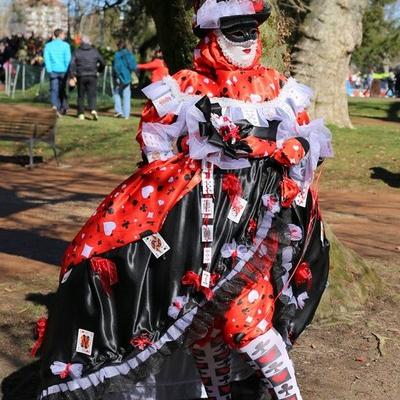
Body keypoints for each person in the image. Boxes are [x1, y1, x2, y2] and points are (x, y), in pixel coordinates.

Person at [36, 1, 333, 399]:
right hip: (196, 231)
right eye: (236, 31)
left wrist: (290, 152)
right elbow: (155, 148)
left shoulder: (278, 87)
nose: (247, 39)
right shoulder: (186, 87)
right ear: (212, 35)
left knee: (245, 322)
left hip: (256, 230)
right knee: (200, 325)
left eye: (252, 30)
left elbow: (308, 144)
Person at [69, 35, 105, 120]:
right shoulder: (94, 51)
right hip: (92, 75)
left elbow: (72, 64)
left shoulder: (77, 51)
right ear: (89, 42)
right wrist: (99, 70)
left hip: (81, 75)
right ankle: (93, 109)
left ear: (81, 42)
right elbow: (103, 62)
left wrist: (73, 75)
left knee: (81, 95)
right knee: (92, 94)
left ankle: (81, 114)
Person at [44, 29, 71, 116]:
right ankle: (62, 107)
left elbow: (46, 58)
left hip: (53, 70)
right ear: (60, 35)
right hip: (64, 71)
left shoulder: (48, 46)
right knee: (63, 89)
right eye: (64, 35)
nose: (65, 36)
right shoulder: (66, 45)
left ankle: (55, 106)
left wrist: (49, 69)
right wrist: (68, 70)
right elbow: (68, 59)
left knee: (54, 89)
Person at [112, 41, 137, 119]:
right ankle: (126, 115)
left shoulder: (117, 55)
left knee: (116, 93)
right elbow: (133, 66)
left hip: (119, 77)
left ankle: (119, 111)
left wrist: (117, 75)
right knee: (127, 96)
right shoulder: (130, 54)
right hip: (128, 77)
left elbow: (117, 67)